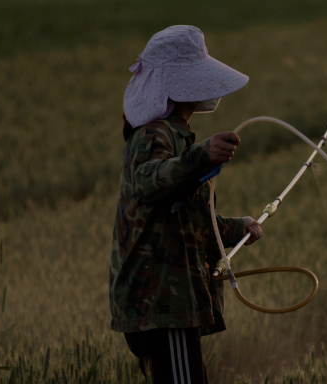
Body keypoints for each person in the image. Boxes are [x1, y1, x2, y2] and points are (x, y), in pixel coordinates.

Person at [109, 25, 263, 384]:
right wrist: (200, 154)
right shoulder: (154, 134)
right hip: (162, 304)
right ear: (182, 86)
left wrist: (238, 228)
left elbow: (185, 218)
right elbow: (149, 182)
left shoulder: (175, 135)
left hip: (171, 305)